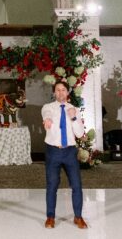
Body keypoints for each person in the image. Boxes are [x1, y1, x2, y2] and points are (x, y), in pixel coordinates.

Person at [41, 80, 87, 229]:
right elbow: (46, 114)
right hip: (53, 151)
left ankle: (78, 217)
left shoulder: (74, 109)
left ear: (68, 92)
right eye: (57, 90)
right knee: (52, 185)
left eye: (63, 90)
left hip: (69, 152)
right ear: (54, 93)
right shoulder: (48, 107)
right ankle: (50, 217)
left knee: (76, 185)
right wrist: (47, 119)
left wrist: (73, 117)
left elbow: (80, 133)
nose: (60, 93)